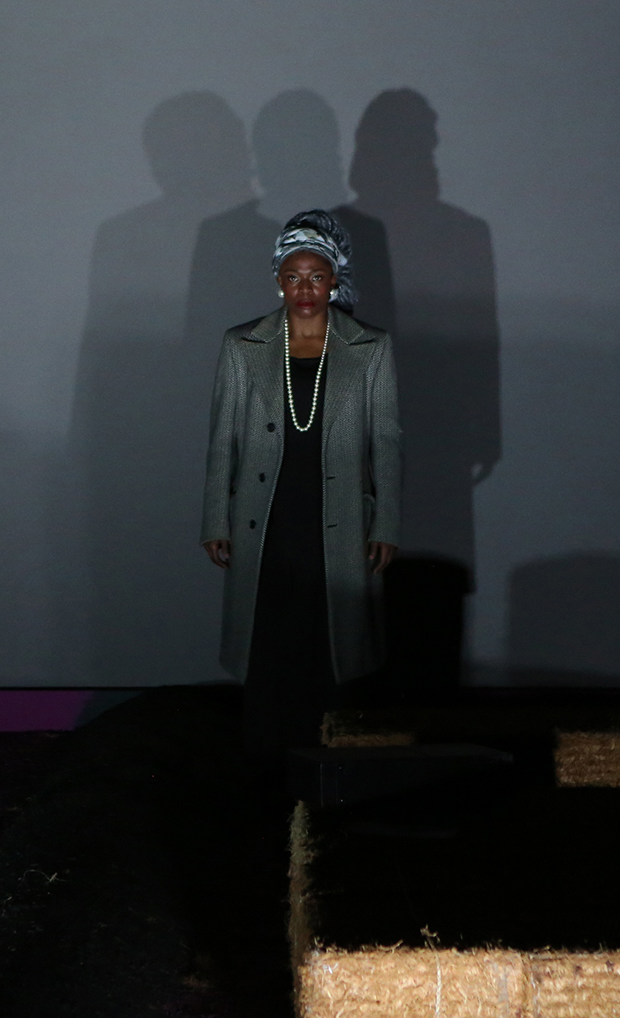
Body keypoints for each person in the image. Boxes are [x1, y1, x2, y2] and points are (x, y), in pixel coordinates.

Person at [200, 210, 400, 758]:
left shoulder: (371, 346)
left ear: (334, 279)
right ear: (278, 281)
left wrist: (386, 522)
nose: (305, 289)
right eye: (293, 276)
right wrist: (216, 517)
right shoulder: (243, 344)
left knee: (330, 630)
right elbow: (222, 440)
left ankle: (329, 754)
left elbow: (386, 441)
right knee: (269, 626)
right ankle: (266, 752)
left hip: (339, 512)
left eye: (316, 276)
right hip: (264, 514)